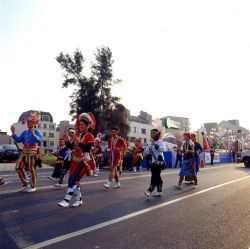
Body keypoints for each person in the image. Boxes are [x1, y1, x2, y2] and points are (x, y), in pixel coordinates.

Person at [57, 112, 96, 208]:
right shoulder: (78, 134)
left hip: (84, 162)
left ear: (88, 126)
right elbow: (72, 147)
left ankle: (66, 200)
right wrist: (67, 142)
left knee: (73, 181)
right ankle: (79, 200)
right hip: (75, 161)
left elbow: (86, 149)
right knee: (74, 181)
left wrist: (77, 140)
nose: (80, 126)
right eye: (79, 124)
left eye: (82, 125)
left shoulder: (90, 136)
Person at [11, 111, 42, 192]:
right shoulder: (24, 132)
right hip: (24, 151)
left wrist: (34, 135)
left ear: (34, 123)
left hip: (32, 151)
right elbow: (18, 140)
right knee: (18, 167)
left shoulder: (37, 131)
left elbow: (39, 140)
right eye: (28, 122)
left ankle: (33, 186)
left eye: (30, 122)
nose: (28, 123)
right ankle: (25, 183)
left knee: (31, 169)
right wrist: (13, 133)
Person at [144, 129, 165, 197]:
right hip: (153, 162)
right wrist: (144, 151)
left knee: (154, 176)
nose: (151, 134)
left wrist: (155, 144)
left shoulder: (160, 141)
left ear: (157, 134)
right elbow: (147, 151)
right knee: (157, 176)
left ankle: (150, 190)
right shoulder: (151, 142)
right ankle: (159, 191)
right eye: (151, 133)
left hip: (159, 161)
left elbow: (162, 149)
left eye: (153, 133)